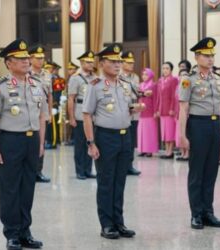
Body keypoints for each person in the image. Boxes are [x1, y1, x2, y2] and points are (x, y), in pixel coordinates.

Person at [0, 39, 47, 250]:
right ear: (9, 63)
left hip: (32, 141)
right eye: (20, 59)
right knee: (10, 188)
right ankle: (11, 233)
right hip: (10, 141)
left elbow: (42, 118)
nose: (26, 61)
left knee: (28, 187)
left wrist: (40, 144)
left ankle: (25, 232)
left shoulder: (38, 85)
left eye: (26, 58)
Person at [83, 43, 143, 239]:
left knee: (120, 182)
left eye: (119, 61)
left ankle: (119, 222)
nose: (118, 65)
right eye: (113, 61)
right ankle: (107, 224)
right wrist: (91, 143)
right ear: (101, 63)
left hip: (125, 136)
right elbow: (86, 115)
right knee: (106, 182)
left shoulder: (125, 84)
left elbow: (125, 108)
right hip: (105, 137)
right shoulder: (95, 86)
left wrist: (134, 108)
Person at [179, 37, 220, 229]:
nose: (210, 59)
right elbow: (183, 108)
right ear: (197, 57)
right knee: (197, 172)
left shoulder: (218, 78)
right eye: (206, 56)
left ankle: (208, 212)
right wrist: (182, 136)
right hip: (198, 125)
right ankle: (196, 214)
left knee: (211, 172)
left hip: (215, 126)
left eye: (212, 56)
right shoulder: (188, 79)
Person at [68, 50, 96, 180]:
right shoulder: (75, 78)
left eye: (92, 61)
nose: (90, 64)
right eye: (87, 62)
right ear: (81, 63)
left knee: (90, 142)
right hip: (79, 113)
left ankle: (88, 169)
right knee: (80, 144)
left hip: (92, 115)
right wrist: (72, 117)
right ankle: (80, 171)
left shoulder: (95, 78)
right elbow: (71, 99)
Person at [29, 45, 52, 183]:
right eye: (37, 58)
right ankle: (30, 171)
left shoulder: (46, 74)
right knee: (30, 143)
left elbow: (49, 95)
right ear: (30, 59)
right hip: (30, 111)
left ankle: (39, 170)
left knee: (41, 142)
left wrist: (49, 112)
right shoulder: (27, 74)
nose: (41, 61)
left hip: (42, 113)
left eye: (42, 58)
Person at [119, 51, 141, 175]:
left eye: (132, 63)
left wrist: (144, 93)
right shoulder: (118, 76)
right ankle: (122, 165)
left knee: (132, 141)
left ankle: (130, 165)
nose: (132, 65)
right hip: (124, 110)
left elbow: (137, 91)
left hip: (135, 111)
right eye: (129, 63)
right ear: (122, 63)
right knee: (124, 140)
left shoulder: (135, 77)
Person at [157, 62, 179, 159]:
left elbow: (174, 96)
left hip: (169, 110)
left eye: (167, 68)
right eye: (163, 68)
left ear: (171, 70)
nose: (165, 70)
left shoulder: (174, 80)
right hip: (162, 110)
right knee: (164, 132)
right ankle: (166, 151)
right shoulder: (160, 80)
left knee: (170, 132)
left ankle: (170, 152)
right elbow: (158, 96)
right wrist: (158, 108)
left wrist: (172, 109)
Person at [137, 68, 159, 157]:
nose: (144, 76)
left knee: (150, 131)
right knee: (142, 131)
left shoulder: (153, 85)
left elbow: (156, 99)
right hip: (142, 111)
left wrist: (155, 111)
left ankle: (150, 150)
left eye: (146, 74)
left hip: (150, 111)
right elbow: (138, 97)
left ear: (150, 76)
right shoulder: (140, 85)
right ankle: (142, 149)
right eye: (143, 74)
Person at [175, 69, 190, 161]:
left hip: (186, 113)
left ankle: (187, 153)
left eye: (185, 74)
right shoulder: (178, 86)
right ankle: (182, 152)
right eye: (181, 75)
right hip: (178, 113)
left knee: (186, 133)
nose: (183, 77)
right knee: (180, 133)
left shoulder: (186, 84)